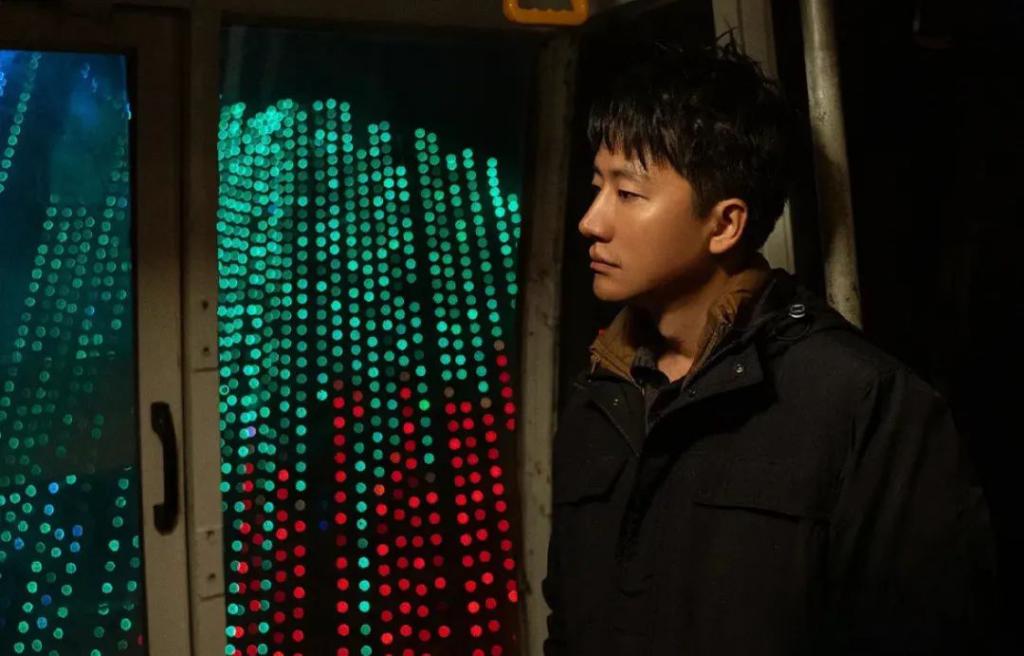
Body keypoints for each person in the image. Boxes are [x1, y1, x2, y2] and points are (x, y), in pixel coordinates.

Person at [542, 39, 997, 655]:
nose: (591, 221)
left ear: (725, 223)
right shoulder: (600, 396)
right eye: (597, 186)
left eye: (628, 193)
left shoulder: (860, 401)